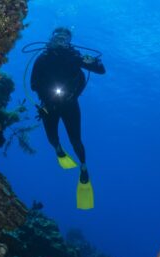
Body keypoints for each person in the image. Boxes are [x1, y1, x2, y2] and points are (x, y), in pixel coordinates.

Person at [30, 27, 106, 209]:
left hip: (70, 104)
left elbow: (101, 71)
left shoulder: (75, 57)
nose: (61, 39)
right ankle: (59, 151)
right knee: (52, 138)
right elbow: (33, 84)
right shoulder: (42, 58)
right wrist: (45, 97)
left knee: (75, 139)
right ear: (52, 38)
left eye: (65, 37)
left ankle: (83, 168)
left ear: (69, 41)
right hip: (49, 105)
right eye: (58, 36)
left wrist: (94, 62)